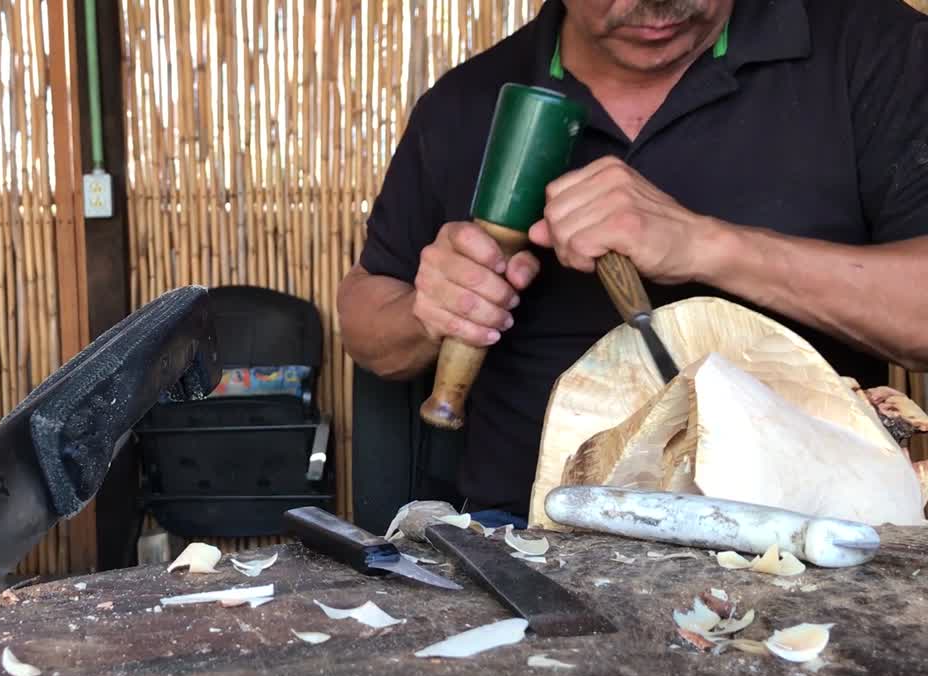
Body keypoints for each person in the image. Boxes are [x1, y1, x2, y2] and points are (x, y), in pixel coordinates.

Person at [337, 0, 928, 524]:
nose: (656, 4)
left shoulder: (872, 48)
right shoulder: (465, 101)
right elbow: (366, 322)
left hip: (812, 533)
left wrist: (706, 245)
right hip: (526, 535)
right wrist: (433, 311)